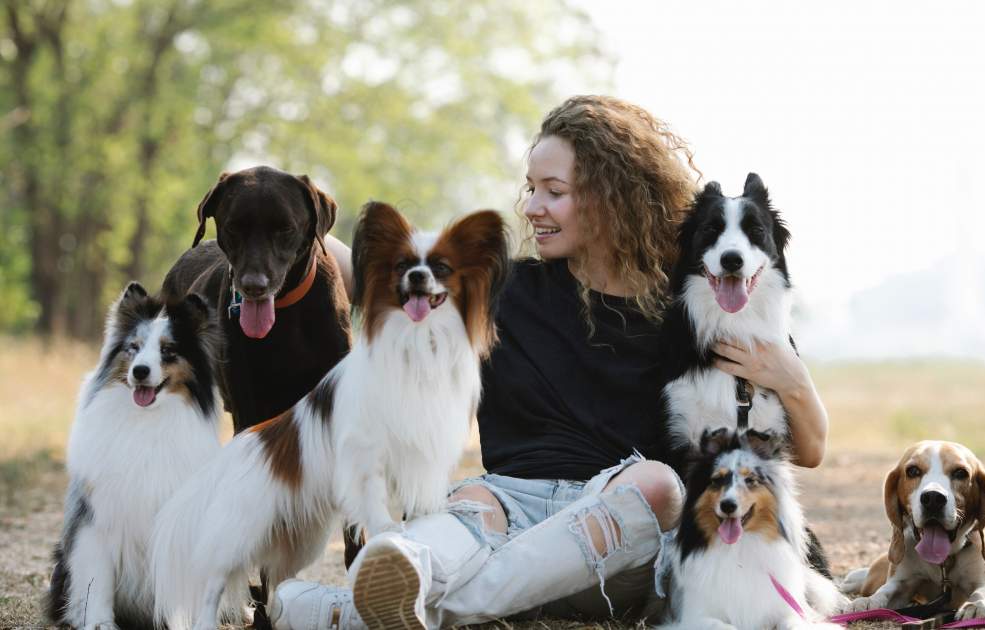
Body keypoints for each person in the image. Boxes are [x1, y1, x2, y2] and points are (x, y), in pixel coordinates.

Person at [271, 95, 830, 629]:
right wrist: (284, 238)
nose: (532, 207)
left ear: (610, 198)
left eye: (553, 191)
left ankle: (361, 613)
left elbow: (807, 449)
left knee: (658, 485)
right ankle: (406, 584)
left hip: (618, 530)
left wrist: (794, 380)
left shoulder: (691, 308)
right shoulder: (503, 289)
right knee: (469, 500)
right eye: (531, 188)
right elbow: (373, 272)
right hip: (509, 503)